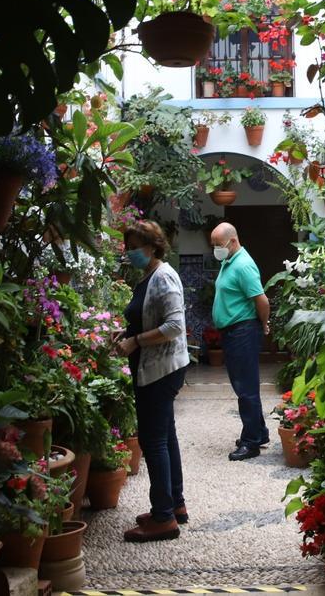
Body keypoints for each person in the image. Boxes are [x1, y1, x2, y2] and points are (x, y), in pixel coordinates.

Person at [116, 220, 190, 542]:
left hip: (161, 371)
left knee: (153, 440)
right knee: (165, 435)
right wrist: (127, 334)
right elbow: (149, 317)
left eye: (136, 246)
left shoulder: (164, 277)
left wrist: (136, 342)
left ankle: (163, 518)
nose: (131, 252)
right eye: (128, 246)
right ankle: (174, 505)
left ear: (154, 247)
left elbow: (174, 325)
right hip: (156, 368)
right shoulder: (149, 276)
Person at [208, 222, 271, 461]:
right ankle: (259, 432)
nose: (215, 249)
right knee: (245, 386)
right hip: (234, 332)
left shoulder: (243, 265)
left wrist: (263, 324)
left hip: (243, 331)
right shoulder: (229, 261)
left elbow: (262, 301)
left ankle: (251, 443)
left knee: (246, 389)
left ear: (232, 242)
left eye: (218, 244)